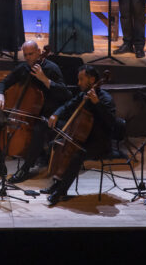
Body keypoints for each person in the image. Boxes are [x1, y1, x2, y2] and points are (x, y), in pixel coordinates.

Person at [0, 40, 70, 180]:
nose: (28, 58)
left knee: (38, 129)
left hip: (47, 114)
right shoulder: (23, 68)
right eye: (25, 55)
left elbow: (66, 94)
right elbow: (3, 83)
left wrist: (45, 80)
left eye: (31, 54)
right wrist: (1, 94)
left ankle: (25, 169)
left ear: (39, 52)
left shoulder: (51, 68)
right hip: (25, 112)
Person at [46, 65, 117, 205]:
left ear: (92, 79)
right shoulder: (83, 95)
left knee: (76, 156)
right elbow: (68, 105)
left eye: (81, 79)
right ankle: (57, 183)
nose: (78, 83)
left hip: (99, 143)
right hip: (83, 139)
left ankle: (60, 191)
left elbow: (111, 122)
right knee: (56, 144)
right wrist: (56, 114)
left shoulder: (105, 99)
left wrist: (97, 103)